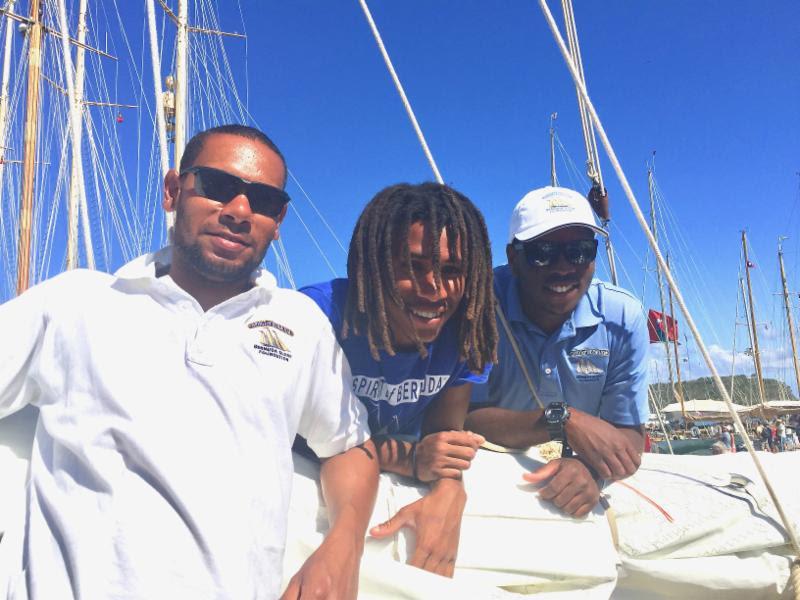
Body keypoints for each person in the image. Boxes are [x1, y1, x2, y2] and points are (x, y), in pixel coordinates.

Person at [0, 124, 378, 600]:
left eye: (262, 202)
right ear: (173, 191)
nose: (240, 211)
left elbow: (350, 446)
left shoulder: (299, 324)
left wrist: (344, 548)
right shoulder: (76, 303)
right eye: (219, 188)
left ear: (278, 221)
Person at [299, 182, 497, 577]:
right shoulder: (318, 318)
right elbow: (295, 438)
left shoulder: (466, 332)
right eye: (412, 267)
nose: (435, 289)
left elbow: (442, 442)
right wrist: (406, 458)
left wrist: (449, 488)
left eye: (452, 270)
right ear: (371, 268)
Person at [467, 185, 649, 517]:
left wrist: (592, 472)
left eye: (580, 251)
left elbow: (630, 435)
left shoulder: (623, 317)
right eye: (543, 252)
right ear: (513, 258)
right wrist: (561, 420)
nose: (564, 267)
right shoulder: (479, 308)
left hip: (580, 474)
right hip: (489, 472)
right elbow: (463, 417)